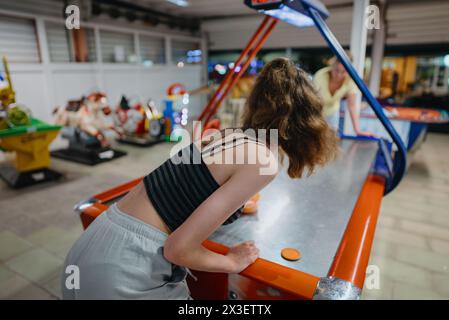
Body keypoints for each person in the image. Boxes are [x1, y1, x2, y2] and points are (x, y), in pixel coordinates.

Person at [61, 57, 338, 300]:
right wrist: (232, 261)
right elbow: (178, 249)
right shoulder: (263, 160)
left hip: (93, 244)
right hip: (127, 265)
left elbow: (182, 189)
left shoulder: (225, 135)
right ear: (307, 119)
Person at [313, 54, 372, 136]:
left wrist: (357, 130)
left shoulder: (350, 81)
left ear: (348, 70)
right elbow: (312, 101)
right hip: (315, 111)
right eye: (337, 70)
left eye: (343, 72)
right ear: (332, 66)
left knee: (332, 138)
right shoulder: (320, 75)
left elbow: (352, 106)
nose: (339, 75)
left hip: (332, 112)